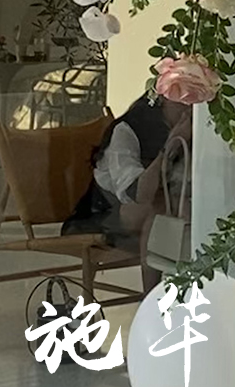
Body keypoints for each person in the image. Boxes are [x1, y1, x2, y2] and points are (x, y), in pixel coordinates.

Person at [64, 91, 192, 287]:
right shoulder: (127, 130)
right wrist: (169, 147)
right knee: (159, 208)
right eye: (182, 102)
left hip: (163, 215)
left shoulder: (194, 132)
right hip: (104, 216)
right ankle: (150, 296)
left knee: (180, 206)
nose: (188, 109)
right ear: (162, 100)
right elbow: (139, 194)